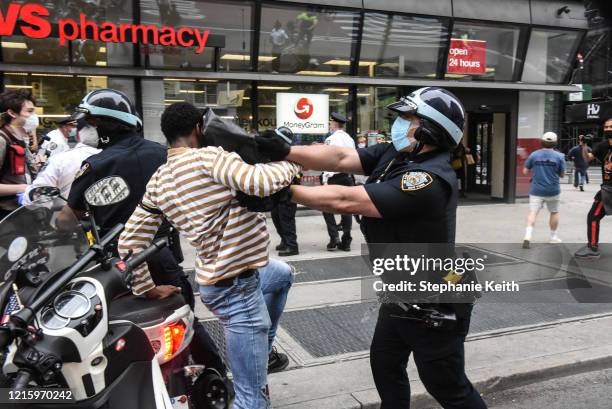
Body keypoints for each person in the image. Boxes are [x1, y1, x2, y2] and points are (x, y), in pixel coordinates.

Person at [255, 87, 487, 409]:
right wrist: (284, 150)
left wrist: (279, 192)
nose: (399, 123)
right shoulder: (398, 154)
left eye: (408, 118)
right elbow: (339, 157)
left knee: (446, 384)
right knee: (385, 364)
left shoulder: (428, 179)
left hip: (434, 298)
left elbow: (348, 200)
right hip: (401, 291)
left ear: (430, 127)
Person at [118, 102, 300, 409]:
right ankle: (256, 354)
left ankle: (261, 351)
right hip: (237, 290)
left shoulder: (160, 179)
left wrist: (145, 288)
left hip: (219, 282)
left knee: (282, 274)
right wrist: (292, 163)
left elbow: (130, 240)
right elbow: (260, 182)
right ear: (198, 129)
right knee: (252, 400)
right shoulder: (209, 157)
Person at [57, 90, 227, 376]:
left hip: (118, 263)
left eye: (90, 122)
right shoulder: (162, 155)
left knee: (124, 331)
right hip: (164, 254)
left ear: (101, 123)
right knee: (184, 320)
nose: (85, 129)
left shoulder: (95, 166)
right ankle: (216, 375)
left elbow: (66, 220)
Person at [23, 119, 100, 204]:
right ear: (65, 126)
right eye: (73, 126)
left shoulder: (62, 138)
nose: (74, 129)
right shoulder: (56, 140)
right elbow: (48, 161)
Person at [575, 118, 612, 259]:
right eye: (606, 127)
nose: (608, 129)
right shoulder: (602, 146)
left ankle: (592, 247)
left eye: (611, 127)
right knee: (593, 216)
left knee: (593, 216)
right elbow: (587, 158)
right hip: (608, 190)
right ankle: (592, 247)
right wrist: (583, 145)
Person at [521, 131, 565, 249]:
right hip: (553, 190)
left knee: (533, 212)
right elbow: (562, 174)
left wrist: (536, 173)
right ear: (555, 143)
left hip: (536, 189)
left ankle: (527, 236)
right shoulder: (560, 156)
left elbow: (525, 171)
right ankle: (553, 237)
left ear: (542, 142)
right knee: (554, 212)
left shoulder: (534, 155)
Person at [0, 89, 38, 220]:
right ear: (11, 113)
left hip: (24, 212)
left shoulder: (22, 138)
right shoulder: (2, 140)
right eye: (29, 111)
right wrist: (24, 188)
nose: (34, 116)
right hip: (6, 216)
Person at [321, 112, 355, 251]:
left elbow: (328, 160)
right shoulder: (350, 139)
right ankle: (346, 241)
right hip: (347, 177)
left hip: (333, 177)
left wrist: (325, 179)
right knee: (346, 209)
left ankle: (334, 237)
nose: (329, 125)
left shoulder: (331, 139)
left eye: (330, 123)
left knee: (326, 207)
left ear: (334, 124)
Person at [272, 173, 300, 256]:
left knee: (286, 220)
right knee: (276, 217)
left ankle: (292, 246)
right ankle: (284, 241)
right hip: (276, 193)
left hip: (287, 191)